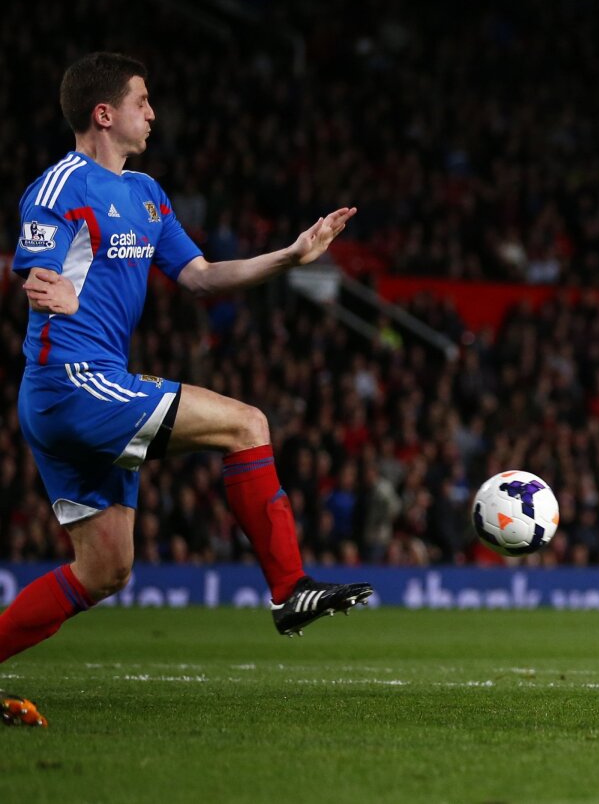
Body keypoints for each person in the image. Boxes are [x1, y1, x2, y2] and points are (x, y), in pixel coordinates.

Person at [0, 52, 373, 728]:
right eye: (143, 100)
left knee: (105, 569)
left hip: (85, 387)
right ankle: (291, 589)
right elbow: (37, 272)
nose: (154, 112)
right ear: (104, 113)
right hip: (72, 384)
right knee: (247, 424)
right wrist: (47, 289)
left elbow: (199, 276)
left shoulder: (147, 195)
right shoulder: (58, 190)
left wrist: (291, 255)